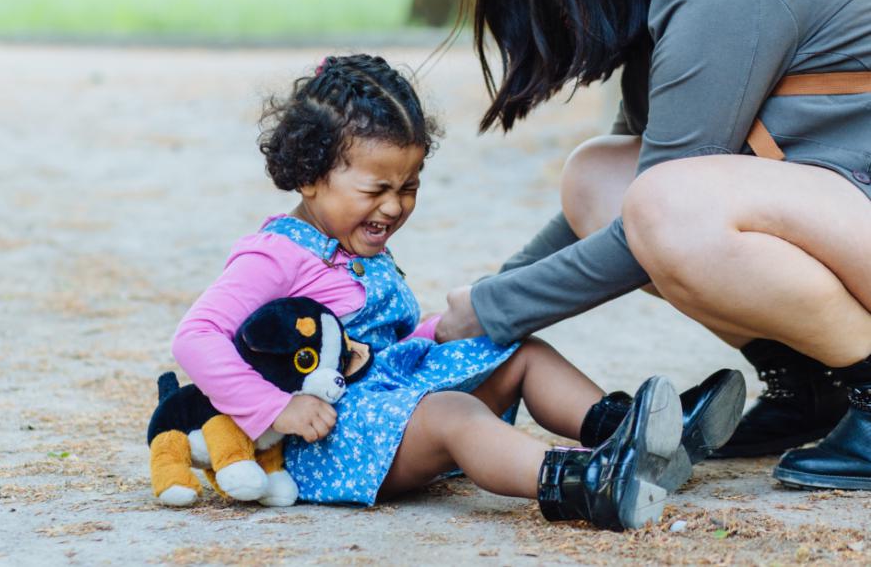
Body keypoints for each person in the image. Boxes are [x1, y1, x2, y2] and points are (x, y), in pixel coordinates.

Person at [169, 54, 745, 530]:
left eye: (409, 186)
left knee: (518, 350)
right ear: (310, 176)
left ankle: (632, 433)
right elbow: (196, 337)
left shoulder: (349, 242)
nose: (394, 206)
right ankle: (583, 483)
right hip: (329, 442)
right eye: (377, 189)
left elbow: (377, 344)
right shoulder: (276, 255)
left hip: (388, 404)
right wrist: (277, 407)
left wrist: (434, 336)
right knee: (455, 413)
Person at [437, 0, 871, 489]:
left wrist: (494, 309)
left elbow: (655, 225)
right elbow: (604, 210)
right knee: (598, 176)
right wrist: (477, 311)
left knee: (672, 207)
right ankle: (812, 383)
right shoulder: (677, 6)